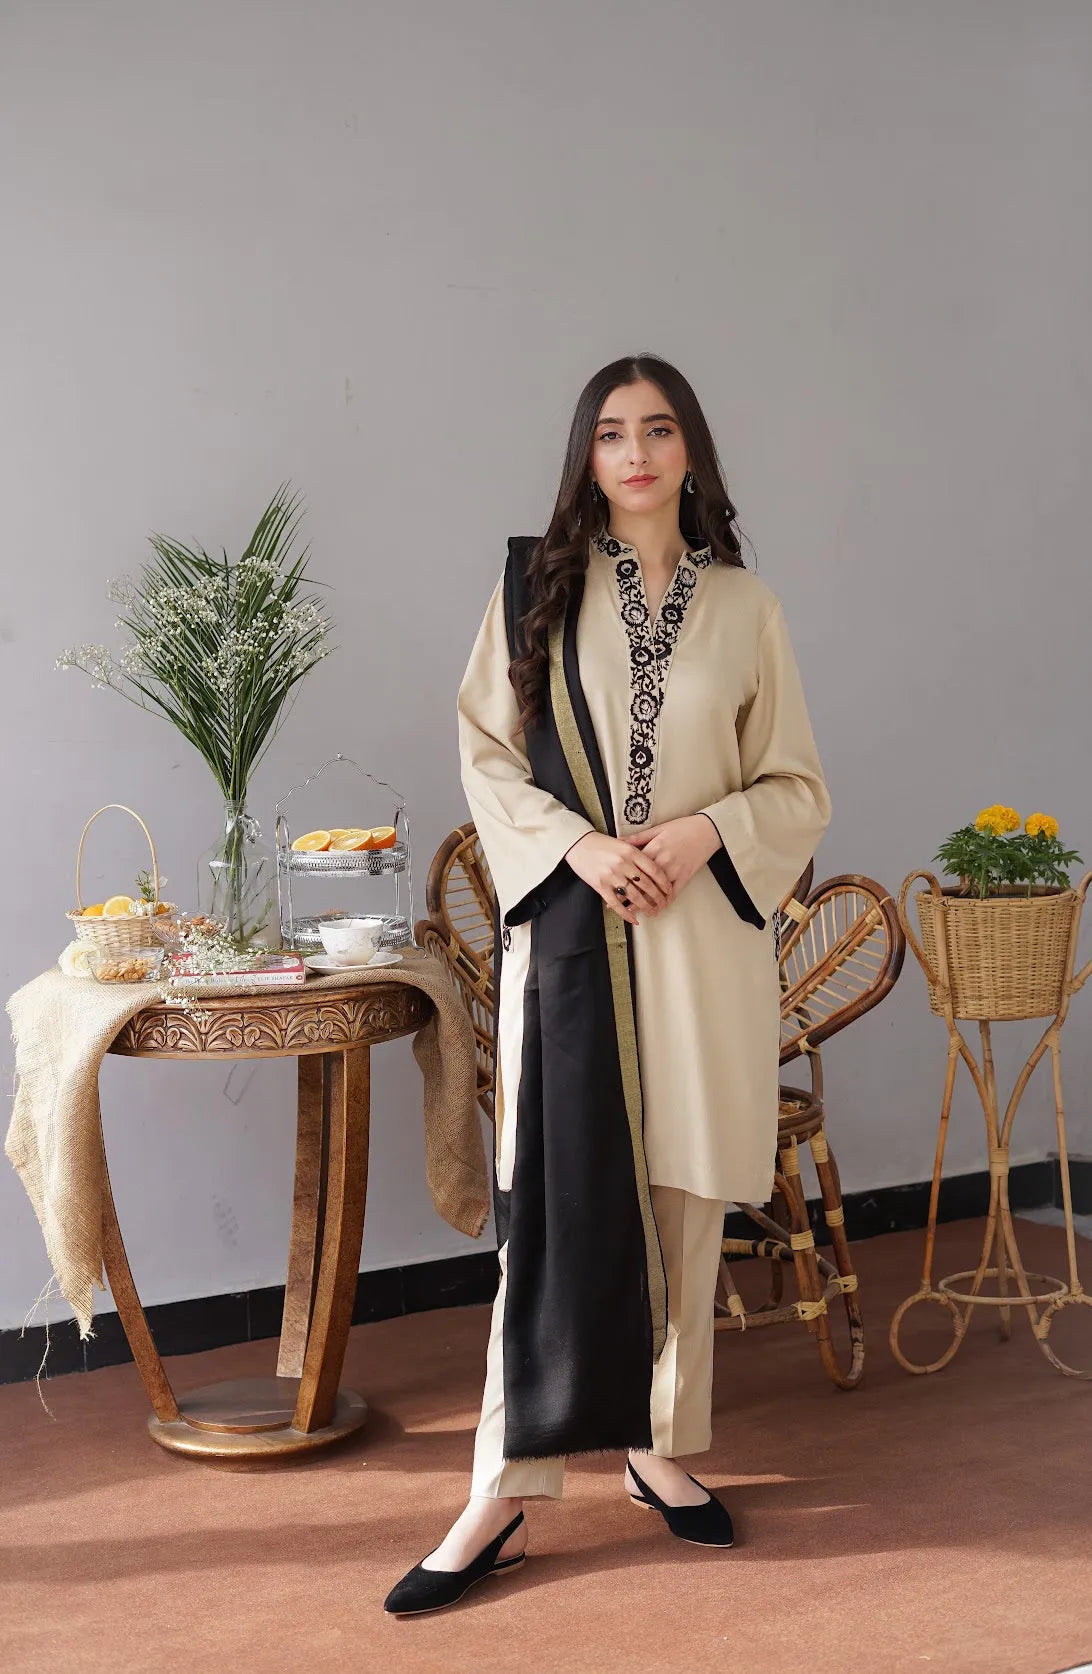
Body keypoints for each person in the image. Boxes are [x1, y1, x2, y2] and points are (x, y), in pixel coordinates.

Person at [384, 353, 831, 1616]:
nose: (635, 452)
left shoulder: (748, 608)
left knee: (685, 1199)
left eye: (660, 429)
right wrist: (579, 846)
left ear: (692, 452)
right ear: (587, 455)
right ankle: (504, 1487)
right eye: (612, 433)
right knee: (561, 1216)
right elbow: (484, 752)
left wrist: (702, 835)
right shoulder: (539, 588)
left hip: (702, 948)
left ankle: (657, 1448)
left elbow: (797, 787)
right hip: (573, 951)